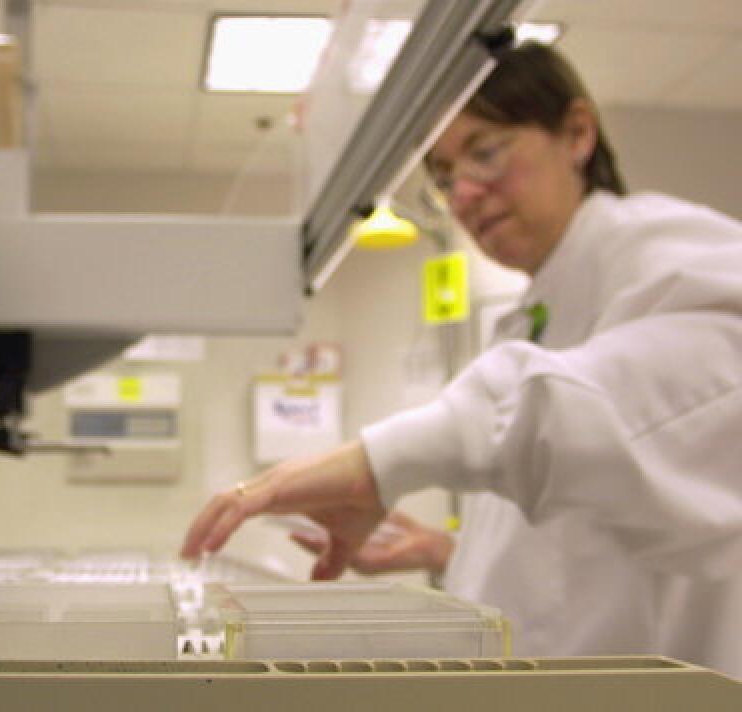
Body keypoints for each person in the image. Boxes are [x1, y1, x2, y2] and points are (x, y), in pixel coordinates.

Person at [181, 42, 742, 678]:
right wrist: (448, 551)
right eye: (445, 178)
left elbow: (586, 416)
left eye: (485, 151)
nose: (466, 193)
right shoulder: (536, 306)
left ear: (576, 133)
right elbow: (577, 532)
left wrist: (377, 462)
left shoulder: (676, 256)